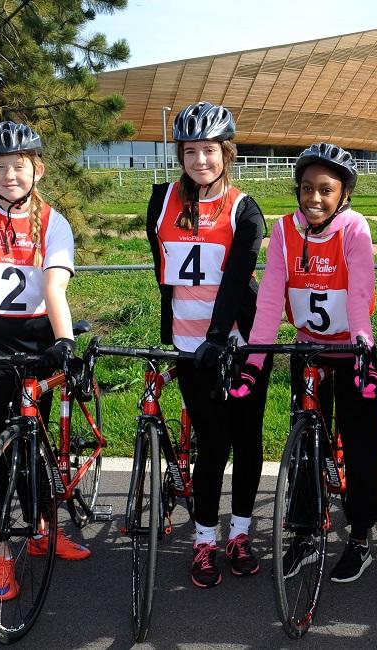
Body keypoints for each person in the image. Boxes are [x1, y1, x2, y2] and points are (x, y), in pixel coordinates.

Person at [0, 121, 90, 601]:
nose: (9, 174)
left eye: (18, 166)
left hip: (36, 337)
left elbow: (54, 288)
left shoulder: (54, 220)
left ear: (37, 169)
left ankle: (44, 528)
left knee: (35, 449)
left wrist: (64, 341)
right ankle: (1, 554)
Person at [232, 143, 377, 583]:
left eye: (325, 190)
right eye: (306, 189)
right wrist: (254, 363)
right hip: (306, 347)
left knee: (358, 447)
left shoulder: (355, 229)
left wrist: (362, 347)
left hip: (350, 347)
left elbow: (359, 295)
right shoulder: (283, 230)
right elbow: (268, 302)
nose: (314, 198)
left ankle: (359, 537)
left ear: (343, 195)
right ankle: (302, 533)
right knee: (302, 445)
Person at [146, 101, 272, 588]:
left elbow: (239, 280)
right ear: (180, 154)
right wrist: (179, 338)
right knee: (211, 441)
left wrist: (220, 339)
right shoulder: (160, 202)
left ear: (228, 153)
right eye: (191, 151)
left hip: (239, 343)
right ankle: (204, 539)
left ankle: (239, 534)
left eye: (210, 151)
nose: (201, 160)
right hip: (187, 343)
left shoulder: (245, 208)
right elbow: (165, 275)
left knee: (246, 439)